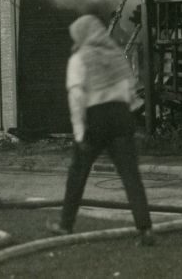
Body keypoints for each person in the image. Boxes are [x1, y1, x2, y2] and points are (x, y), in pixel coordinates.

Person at [53, 15, 154, 246]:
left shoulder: (79, 58)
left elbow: (76, 97)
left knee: (78, 172)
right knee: (131, 175)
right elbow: (131, 89)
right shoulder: (116, 55)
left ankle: (65, 225)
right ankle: (145, 229)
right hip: (121, 116)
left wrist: (80, 132)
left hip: (96, 118)